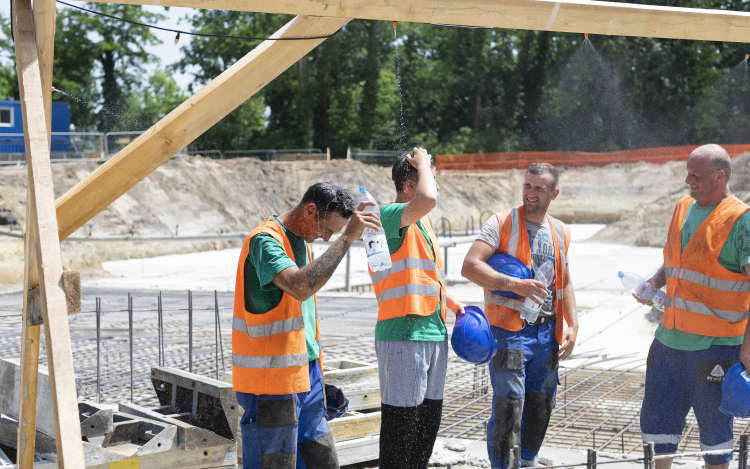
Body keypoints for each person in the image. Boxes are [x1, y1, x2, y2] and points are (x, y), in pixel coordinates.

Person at [232, 182, 381, 469]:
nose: (326, 238)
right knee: (274, 462)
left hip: (306, 374)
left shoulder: (301, 240)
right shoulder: (265, 241)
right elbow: (300, 287)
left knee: (321, 460)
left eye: (334, 233)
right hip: (271, 382)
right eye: (326, 229)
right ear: (310, 210)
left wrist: (318, 376)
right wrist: (347, 238)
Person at [631, 144, 750, 469]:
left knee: (716, 440)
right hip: (668, 345)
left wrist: (749, 349)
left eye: (695, 175)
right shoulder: (683, 207)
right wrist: (655, 282)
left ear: (720, 176)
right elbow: (675, 260)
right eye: (687, 172)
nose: (688, 180)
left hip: (715, 350)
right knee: (658, 433)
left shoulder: (741, 221)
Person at [461, 163, 578, 469]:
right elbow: (470, 266)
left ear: (554, 193)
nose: (531, 194)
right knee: (509, 407)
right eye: (527, 186)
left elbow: (563, 280)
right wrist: (516, 285)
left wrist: (573, 324)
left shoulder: (561, 231)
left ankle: (526, 462)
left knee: (541, 404)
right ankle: (502, 466)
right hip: (509, 332)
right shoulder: (500, 223)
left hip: (547, 334)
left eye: (539, 188)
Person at [371, 148, 466, 469]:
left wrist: (450, 302)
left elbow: (421, 275)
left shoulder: (423, 227)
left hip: (432, 332)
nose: (435, 186)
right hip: (403, 333)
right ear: (410, 185)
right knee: (401, 430)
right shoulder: (388, 215)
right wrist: (424, 162)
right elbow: (428, 198)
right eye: (430, 178)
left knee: (425, 429)